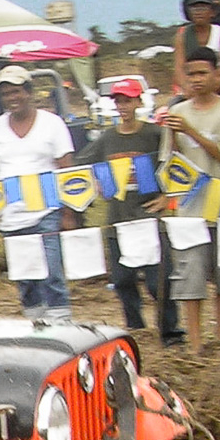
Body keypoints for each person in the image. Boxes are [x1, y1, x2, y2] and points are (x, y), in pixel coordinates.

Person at [0, 65, 78, 321]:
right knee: (26, 279)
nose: (12, 98)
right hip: (12, 216)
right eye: (6, 94)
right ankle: (36, 326)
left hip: (47, 211)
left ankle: (62, 327)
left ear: (29, 92)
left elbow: (67, 168)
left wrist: (69, 213)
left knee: (52, 274)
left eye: (16, 92)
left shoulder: (52, 124)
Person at [77, 78, 182, 344]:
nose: (123, 106)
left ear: (139, 102)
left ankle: (170, 332)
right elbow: (80, 166)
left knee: (158, 282)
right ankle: (136, 329)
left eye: (128, 100)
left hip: (148, 217)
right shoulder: (107, 139)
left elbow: (177, 166)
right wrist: (95, 183)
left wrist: (167, 198)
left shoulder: (154, 135)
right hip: (118, 219)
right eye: (118, 101)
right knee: (123, 280)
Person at [161, 46, 220, 355]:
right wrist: (173, 135)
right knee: (190, 274)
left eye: (202, 73)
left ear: (216, 74)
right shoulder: (178, 112)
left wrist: (191, 131)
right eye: (191, 74)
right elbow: (170, 161)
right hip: (190, 207)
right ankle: (195, 345)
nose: (196, 80)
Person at [175, 0, 220, 96]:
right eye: (195, 9)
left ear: (212, 12)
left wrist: (208, 78)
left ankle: (204, 94)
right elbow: (179, 67)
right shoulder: (182, 36)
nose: (198, 12)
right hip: (192, 80)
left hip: (215, 79)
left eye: (203, 8)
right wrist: (186, 86)